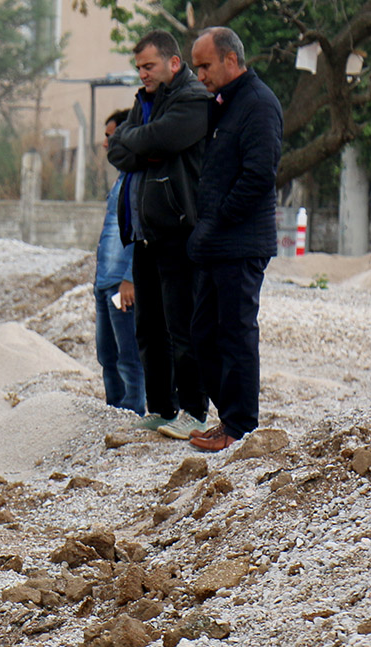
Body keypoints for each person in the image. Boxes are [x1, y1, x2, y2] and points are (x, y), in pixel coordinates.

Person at [107, 30, 211, 440]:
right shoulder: (144, 100)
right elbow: (119, 147)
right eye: (138, 67)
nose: (142, 74)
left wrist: (144, 142)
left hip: (178, 232)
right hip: (145, 234)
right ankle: (160, 408)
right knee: (149, 327)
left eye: (148, 66)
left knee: (182, 326)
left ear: (172, 62)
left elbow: (163, 138)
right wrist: (143, 143)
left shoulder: (192, 98)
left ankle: (194, 411)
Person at [185, 27, 283, 453]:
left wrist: (217, 222)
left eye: (205, 66)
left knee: (236, 332)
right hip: (216, 244)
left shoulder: (258, 104)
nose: (200, 75)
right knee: (203, 332)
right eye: (196, 67)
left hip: (241, 243)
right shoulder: (225, 106)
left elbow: (259, 176)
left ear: (230, 59)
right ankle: (226, 417)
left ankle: (240, 426)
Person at [95, 109, 144, 414]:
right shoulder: (122, 180)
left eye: (110, 137)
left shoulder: (139, 181)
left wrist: (130, 277)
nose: (105, 145)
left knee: (128, 356)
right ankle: (114, 411)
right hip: (105, 281)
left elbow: (140, 232)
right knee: (107, 355)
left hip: (120, 284)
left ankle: (132, 411)